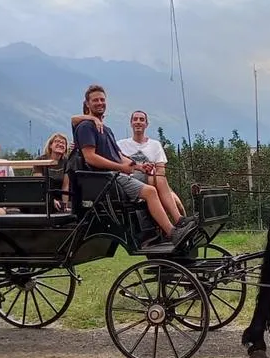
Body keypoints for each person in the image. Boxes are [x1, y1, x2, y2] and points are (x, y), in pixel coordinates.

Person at [72, 84, 196, 245]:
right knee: (150, 192)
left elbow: (119, 156)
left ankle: (175, 224)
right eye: (95, 100)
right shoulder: (87, 127)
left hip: (113, 176)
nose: (100, 103)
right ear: (87, 104)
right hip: (104, 180)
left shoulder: (106, 129)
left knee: (152, 186)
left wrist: (138, 167)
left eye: (102, 99)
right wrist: (121, 168)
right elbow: (90, 158)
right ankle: (172, 232)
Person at [116, 110, 188, 220]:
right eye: (135, 119)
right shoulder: (120, 144)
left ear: (146, 124)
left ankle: (182, 221)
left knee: (177, 202)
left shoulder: (155, 145)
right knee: (159, 183)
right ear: (131, 123)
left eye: (141, 119)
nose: (138, 122)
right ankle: (178, 220)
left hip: (155, 181)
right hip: (130, 180)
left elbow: (161, 171)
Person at [29, 132, 71, 213]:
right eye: (57, 141)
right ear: (50, 145)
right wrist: (51, 200)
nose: (60, 144)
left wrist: (64, 205)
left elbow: (65, 186)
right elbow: (39, 184)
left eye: (63, 143)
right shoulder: (40, 160)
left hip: (59, 196)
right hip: (42, 196)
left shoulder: (67, 162)